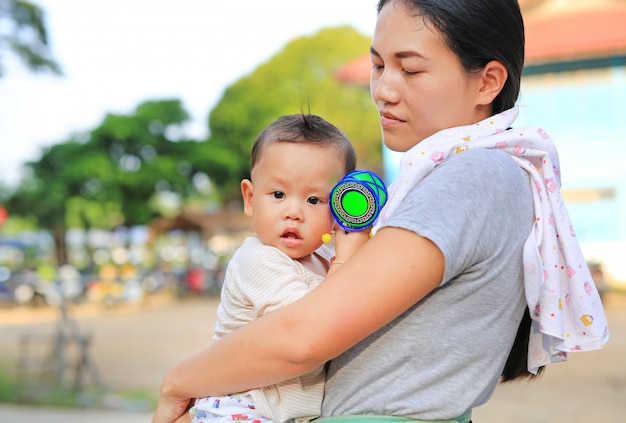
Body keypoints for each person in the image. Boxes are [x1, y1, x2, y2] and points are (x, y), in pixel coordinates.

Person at [153, 1, 609, 422]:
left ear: (488, 81)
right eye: (377, 65)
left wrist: (178, 382)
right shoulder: (471, 171)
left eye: (409, 70)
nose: (383, 90)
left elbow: (301, 337)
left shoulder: (474, 175)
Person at [186, 113, 358, 423]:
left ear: (338, 210)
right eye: (278, 195)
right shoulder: (259, 259)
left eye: (314, 200)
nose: (293, 212)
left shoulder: (322, 255)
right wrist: (345, 263)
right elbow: (312, 329)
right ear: (250, 198)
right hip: (241, 407)